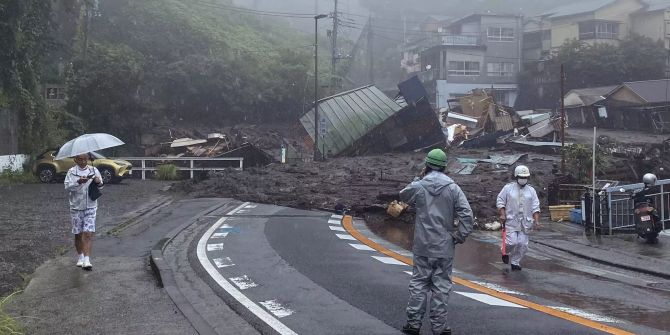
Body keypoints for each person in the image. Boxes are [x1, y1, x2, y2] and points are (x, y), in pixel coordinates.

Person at [399, 149, 474, 335]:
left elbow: (403, 195)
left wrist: (418, 179)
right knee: (441, 287)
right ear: (444, 167)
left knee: (419, 284)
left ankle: (413, 324)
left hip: (422, 244)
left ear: (427, 165)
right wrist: (460, 235)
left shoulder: (419, 185)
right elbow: (467, 214)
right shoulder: (453, 188)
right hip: (444, 246)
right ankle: (439, 327)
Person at [496, 165, 541, 271]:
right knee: (512, 242)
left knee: (522, 244)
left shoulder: (531, 191)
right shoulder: (508, 188)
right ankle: (504, 251)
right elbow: (500, 200)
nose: (523, 179)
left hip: (525, 222)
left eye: (525, 177)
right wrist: (502, 214)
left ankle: (515, 262)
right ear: (516, 176)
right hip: (511, 220)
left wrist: (537, 221)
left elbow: (535, 206)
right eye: (521, 177)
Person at [64, 153, 103, 270]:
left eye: (85, 159)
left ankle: (87, 260)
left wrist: (97, 181)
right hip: (76, 207)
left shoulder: (94, 170)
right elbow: (67, 187)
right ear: (75, 160)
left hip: (91, 205)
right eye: (80, 159)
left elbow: (101, 186)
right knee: (78, 233)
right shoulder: (71, 172)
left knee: (88, 233)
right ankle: (80, 256)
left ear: (88, 159)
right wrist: (78, 182)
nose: (82, 161)